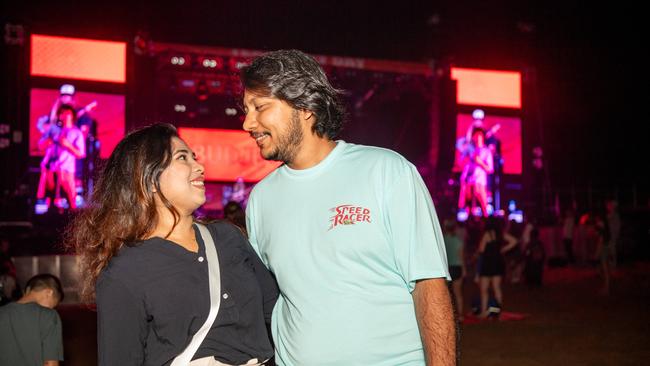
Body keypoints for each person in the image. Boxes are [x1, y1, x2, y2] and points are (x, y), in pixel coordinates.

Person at [241, 50, 455, 366]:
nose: (248, 123)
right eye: (246, 110)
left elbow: (429, 286)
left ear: (304, 106)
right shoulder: (261, 199)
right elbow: (268, 299)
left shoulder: (386, 171)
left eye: (259, 107)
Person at [66, 123, 278, 366]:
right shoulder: (124, 273)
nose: (199, 167)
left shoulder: (228, 237)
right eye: (182, 158)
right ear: (147, 178)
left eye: (194, 158)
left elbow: (277, 313)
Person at [0, 273, 64, 366]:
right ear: (49, 292)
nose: (51, 309)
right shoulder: (48, 315)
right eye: (52, 305)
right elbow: (51, 364)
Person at [36, 104, 86, 210]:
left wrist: (68, 145)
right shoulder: (53, 129)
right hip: (51, 169)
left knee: (70, 200)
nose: (64, 115)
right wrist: (48, 142)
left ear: (72, 115)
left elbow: (81, 154)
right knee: (50, 199)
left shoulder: (76, 132)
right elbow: (40, 145)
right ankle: (47, 221)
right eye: (61, 113)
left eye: (67, 113)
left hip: (67, 170)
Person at [475, 217, 517, 318]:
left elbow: (481, 250)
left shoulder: (487, 234)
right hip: (497, 263)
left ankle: (484, 312)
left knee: (484, 289)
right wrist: (504, 249)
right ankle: (498, 311)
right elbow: (514, 241)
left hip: (487, 263)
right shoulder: (500, 234)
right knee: (497, 288)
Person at [457, 127, 493, 218]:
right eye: (475, 135)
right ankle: (469, 224)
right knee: (468, 208)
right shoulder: (469, 150)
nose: (477, 137)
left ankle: (486, 226)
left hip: (480, 182)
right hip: (469, 182)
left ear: (482, 137)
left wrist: (480, 162)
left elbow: (490, 169)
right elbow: (460, 163)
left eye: (479, 135)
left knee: (484, 207)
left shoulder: (486, 151)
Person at [443, 219, 466, 321]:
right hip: (457, 268)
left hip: (446, 268)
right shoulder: (458, 241)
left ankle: (447, 316)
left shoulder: (442, 240)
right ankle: (460, 316)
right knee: (458, 293)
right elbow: (461, 257)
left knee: (446, 294)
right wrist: (464, 269)